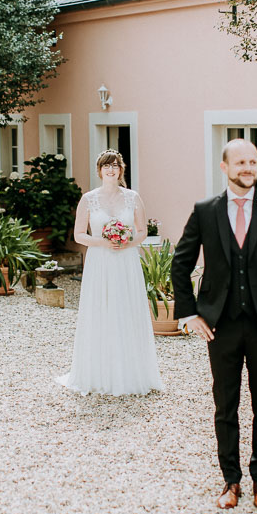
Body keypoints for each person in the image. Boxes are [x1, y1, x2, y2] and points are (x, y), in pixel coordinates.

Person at [171, 139, 257, 510]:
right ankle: (230, 481)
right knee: (225, 404)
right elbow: (180, 264)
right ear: (224, 167)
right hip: (221, 324)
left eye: (253, 161)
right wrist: (190, 315)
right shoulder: (205, 211)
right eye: (240, 162)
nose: (248, 168)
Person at [57, 149, 163, 396]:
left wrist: (126, 241)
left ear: (121, 170)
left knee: (127, 310)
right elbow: (78, 235)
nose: (111, 169)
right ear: (99, 170)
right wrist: (104, 242)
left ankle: (131, 372)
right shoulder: (89, 199)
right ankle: (100, 372)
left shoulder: (133, 197)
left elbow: (142, 231)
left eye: (115, 165)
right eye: (106, 166)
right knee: (101, 310)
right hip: (100, 261)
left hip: (126, 260)